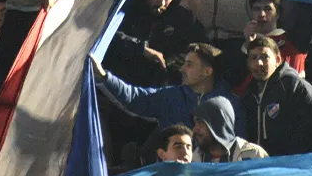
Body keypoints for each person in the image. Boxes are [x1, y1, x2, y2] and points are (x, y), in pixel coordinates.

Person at [94, 43, 242, 133]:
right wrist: (104, 77)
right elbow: (135, 98)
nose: (182, 69)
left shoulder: (231, 105)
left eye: (189, 64)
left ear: (207, 71)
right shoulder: (172, 96)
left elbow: (238, 147)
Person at [242, 35, 312, 156]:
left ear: (278, 60)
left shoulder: (296, 87)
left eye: (264, 57)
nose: (259, 63)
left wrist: (288, 158)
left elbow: (311, 128)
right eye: (253, 58)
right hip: (258, 163)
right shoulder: (249, 93)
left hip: (290, 162)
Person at [192, 96, 266, 164]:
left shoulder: (252, 155)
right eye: (195, 123)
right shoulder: (195, 159)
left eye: (200, 123)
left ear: (217, 124)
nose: (195, 129)